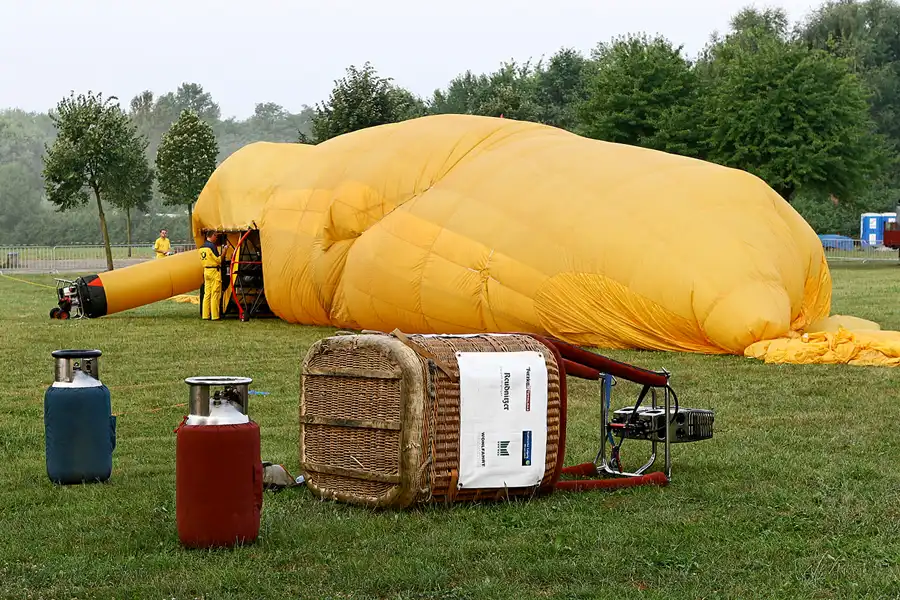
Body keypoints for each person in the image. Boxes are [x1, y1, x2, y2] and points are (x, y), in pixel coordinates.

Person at [199, 231, 223, 321]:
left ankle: (205, 315)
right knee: (215, 293)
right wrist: (224, 252)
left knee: (207, 294)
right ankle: (215, 316)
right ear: (212, 236)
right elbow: (218, 260)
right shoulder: (212, 246)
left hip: (206, 271)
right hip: (214, 271)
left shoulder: (201, 248)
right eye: (216, 236)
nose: (216, 238)